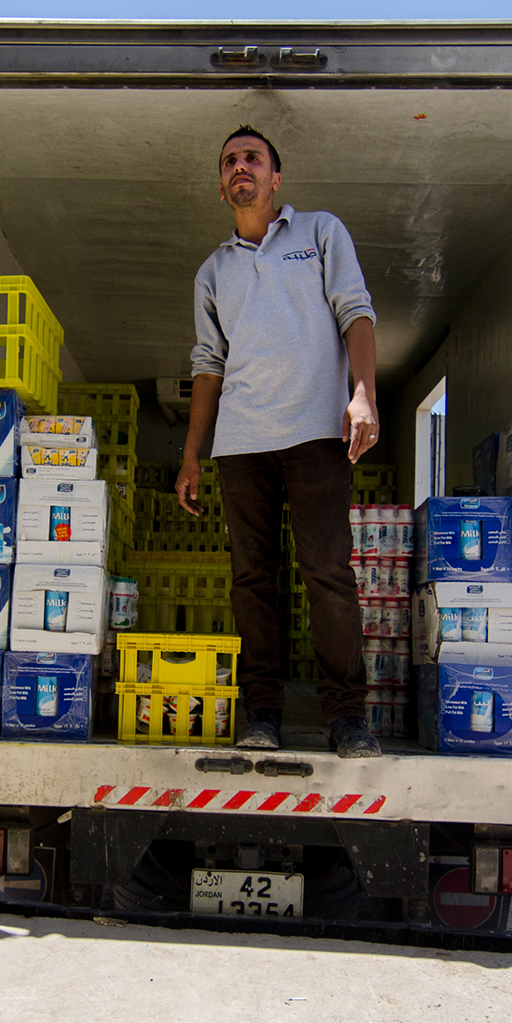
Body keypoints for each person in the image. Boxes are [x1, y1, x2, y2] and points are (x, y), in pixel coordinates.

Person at [180, 126, 382, 758]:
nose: (240, 167)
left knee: (327, 575)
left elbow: (356, 312)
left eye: (252, 158)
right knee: (252, 581)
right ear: (221, 186)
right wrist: (191, 453)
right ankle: (261, 711)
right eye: (229, 162)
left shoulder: (320, 233)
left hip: (316, 434)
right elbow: (208, 364)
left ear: (275, 179)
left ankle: (347, 717)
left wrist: (364, 393)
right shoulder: (212, 272)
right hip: (240, 444)